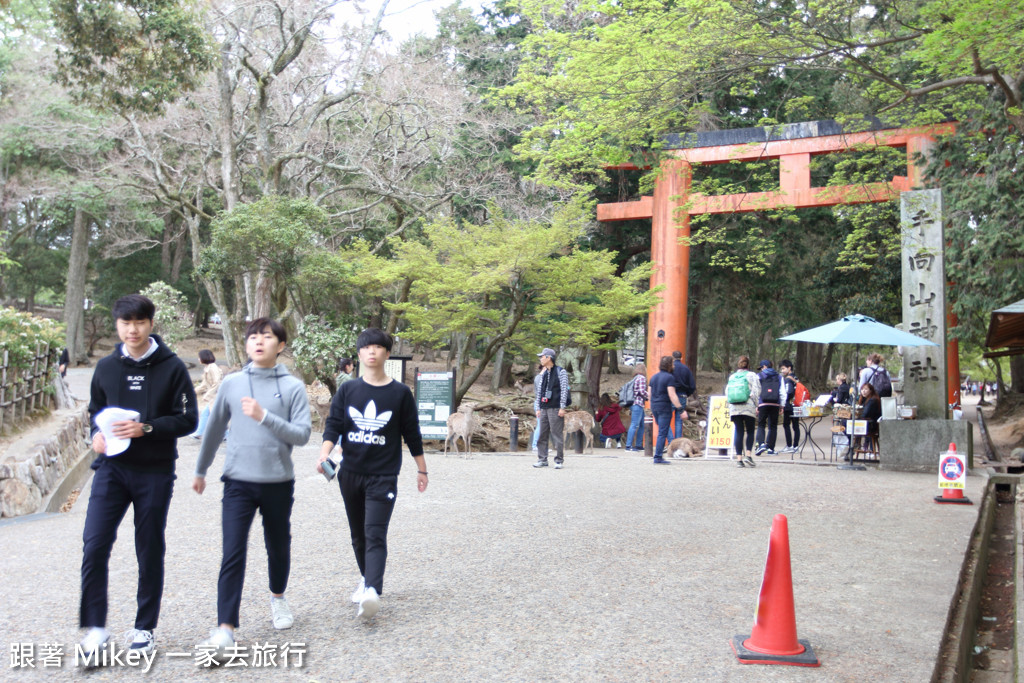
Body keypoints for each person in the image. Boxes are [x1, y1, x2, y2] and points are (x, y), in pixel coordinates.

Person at [78, 294, 198, 658]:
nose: (133, 329)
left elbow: (189, 419)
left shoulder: (172, 367)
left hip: (155, 472)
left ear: (150, 324)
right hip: (111, 471)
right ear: (118, 325)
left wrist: (146, 428)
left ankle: (144, 628)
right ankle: (95, 628)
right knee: (94, 545)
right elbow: (95, 414)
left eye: (140, 322)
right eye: (126, 323)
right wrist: (95, 438)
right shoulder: (105, 367)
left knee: (148, 547)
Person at [192, 318, 312, 653]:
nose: (259, 342)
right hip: (237, 482)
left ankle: (278, 598)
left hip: (277, 481)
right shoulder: (232, 383)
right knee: (232, 551)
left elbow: (302, 435)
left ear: (281, 345)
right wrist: (200, 469)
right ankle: (225, 628)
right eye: (253, 337)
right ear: (246, 344)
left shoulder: (293, 387)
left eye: (267, 336)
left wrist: (264, 416)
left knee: (278, 545)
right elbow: (215, 427)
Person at [317, 328, 428, 621]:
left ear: (387, 354)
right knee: (358, 536)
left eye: (378, 347)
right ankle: (367, 580)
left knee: (374, 533)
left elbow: (412, 434)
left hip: (383, 475)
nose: (372, 351)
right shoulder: (348, 390)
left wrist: (422, 469)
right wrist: (324, 453)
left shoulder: (400, 393)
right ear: (359, 353)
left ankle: (372, 592)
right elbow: (334, 426)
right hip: (350, 473)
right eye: (366, 347)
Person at [532, 348, 570, 469]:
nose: (540, 359)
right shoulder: (544, 373)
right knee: (542, 434)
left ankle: (559, 460)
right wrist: (538, 407)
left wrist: (562, 407)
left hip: (555, 407)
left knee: (556, 434)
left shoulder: (561, 372)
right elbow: (540, 392)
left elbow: (564, 390)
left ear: (549, 358)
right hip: (544, 408)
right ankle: (542, 458)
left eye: (542, 357)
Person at [649, 355, 685, 464]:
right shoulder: (670, 378)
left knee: (662, 429)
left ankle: (662, 451)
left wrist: (653, 405)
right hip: (664, 406)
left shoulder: (653, 377)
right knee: (662, 433)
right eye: (672, 364)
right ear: (669, 365)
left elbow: (649, 394)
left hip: (655, 406)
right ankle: (658, 456)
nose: (674, 366)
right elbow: (672, 395)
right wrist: (681, 409)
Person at [727, 356, 760, 468]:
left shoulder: (732, 376)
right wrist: (756, 405)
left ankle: (739, 459)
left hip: (734, 407)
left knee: (739, 431)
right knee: (750, 430)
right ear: (748, 365)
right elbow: (756, 391)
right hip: (748, 405)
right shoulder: (752, 375)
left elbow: (727, 392)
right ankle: (749, 455)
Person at [191, 349, 223, 439]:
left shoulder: (213, 367)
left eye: (199, 357)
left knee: (215, 416)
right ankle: (199, 432)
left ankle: (225, 434)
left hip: (216, 396)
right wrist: (192, 392)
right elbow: (204, 385)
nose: (198, 359)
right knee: (207, 414)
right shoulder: (208, 368)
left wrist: (207, 395)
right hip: (213, 396)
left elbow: (217, 383)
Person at [754, 359, 783, 456]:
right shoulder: (779, 377)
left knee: (761, 424)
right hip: (775, 403)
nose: (761, 369)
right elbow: (782, 392)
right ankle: (770, 448)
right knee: (773, 426)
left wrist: (756, 405)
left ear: (765, 366)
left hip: (763, 403)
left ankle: (760, 445)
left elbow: (756, 391)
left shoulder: (759, 376)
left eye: (762, 367)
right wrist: (782, 405)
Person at [670, 350, 694, 438]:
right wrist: (686, 393)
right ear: (681, 358)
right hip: (682, 395)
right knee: (678, 421)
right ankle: (678, 442)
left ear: (672, 358)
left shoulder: (670, 368)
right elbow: (692, 386)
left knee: (666, 419)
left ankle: (670, 440)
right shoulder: (686, 369)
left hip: (671, 395)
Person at [625, 362, 648, 452]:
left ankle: (638, 445)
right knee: (634, 424)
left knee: (642, 424)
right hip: (637, 404)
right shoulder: (642, 378)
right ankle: (628, 445)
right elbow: (642, 392)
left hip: (635, 404)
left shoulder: (635, 378)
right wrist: (649, 395)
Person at [778, 359, 799, 454]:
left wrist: (783, 401)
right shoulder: (796, 378)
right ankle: (796, 446)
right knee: (796, 426)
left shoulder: (787, 379)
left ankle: (790, 445)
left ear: (789, 368)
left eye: (783, 368)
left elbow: (789, 392)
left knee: (786, 425)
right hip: (797, 404)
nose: (782, 371)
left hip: (789, 405)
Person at [855, 382, 882, 451]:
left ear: (871, 390)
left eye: (866, 389)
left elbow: (866, 414)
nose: (863, 391)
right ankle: (856, 444)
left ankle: (854, 444)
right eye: (862, 389)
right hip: (869, 423)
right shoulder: (866, 399)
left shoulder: (872, 400)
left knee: (847, 424)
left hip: (871, 425)